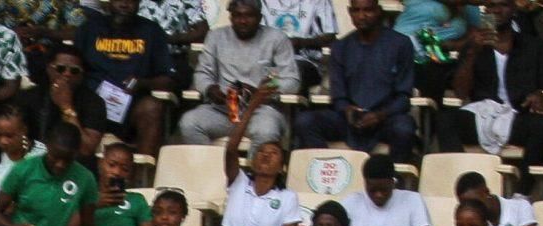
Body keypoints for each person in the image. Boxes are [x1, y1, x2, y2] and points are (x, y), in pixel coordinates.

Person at [447, 0, 543, 160]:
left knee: (541, 125)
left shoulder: (535, 46)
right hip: (483, 114)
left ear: (514, 10)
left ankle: (525, 183)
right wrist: (473, 52)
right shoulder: (473, 46)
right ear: (485, 11)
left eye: (503, 5)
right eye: (491, 6)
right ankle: (461, 172)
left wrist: (541, 94)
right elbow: (460, 92)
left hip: (518, 115)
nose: (497, 11)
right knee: (446, 119)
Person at [297, 0, 411, 149]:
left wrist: (379, 115)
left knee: (404, 128)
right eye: (356, 11)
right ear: (350, 12)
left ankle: (394, 172)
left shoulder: (401, 44)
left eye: (368, 10)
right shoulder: (340, 47)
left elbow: (403, 97)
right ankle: (331, 166)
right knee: (305, 121)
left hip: (386, 118)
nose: (362, 16)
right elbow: (339, 97)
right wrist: (348, 110)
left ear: (378, 11)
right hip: (349, 120)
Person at [183, 0, 296, 144]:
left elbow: (292, 80)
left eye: (249, 16)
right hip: (224, 110)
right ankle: (210, 166)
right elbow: (202, 73)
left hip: (261, 111)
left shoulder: (276, 38)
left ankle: (254, 168)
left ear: (260, 17)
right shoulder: (216, 36)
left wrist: (263, 91)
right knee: (189, 123)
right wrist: (210, 89)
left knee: (267, 130)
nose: (243, 21)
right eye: (237, 16)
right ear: (230, 17)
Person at [75, 0, 176, 154]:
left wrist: (143, 83)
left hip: (131, 106)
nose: (124, 4)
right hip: (91, 103)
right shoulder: (89, 28)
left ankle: (142, 175)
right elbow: (74, 65)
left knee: (152, 107)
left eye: (131, 1)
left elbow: (167, 80)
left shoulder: (152, 31)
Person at [221, 105, 302, 226]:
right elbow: (231, 148)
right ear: (252, 160)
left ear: (282, 167)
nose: (266, 155)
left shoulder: (287, 197)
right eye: (261, 151)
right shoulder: (239, 183)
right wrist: (250, 107)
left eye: (273, 153)